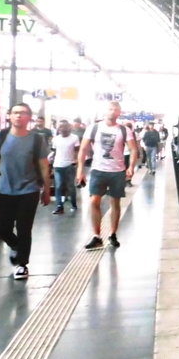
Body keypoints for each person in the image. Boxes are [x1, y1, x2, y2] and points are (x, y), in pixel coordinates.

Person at [0, 103, 51, 280]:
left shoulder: (36, 139)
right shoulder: (0, 136)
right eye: (15, 113)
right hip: (3, 190)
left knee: (24, 228)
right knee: (2, 229)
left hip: (29, 190)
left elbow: (43, 166)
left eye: (23, 113)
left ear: (29, 117)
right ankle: (17, 246)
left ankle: (22, 264)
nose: (19, 116)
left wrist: (46, 190)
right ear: (9, 116)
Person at [77, 101, 138, 249]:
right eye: (110, 109)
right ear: (105, 111)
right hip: (98, 170)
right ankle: (97, 235)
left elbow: (133, 149)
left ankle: (112, 234)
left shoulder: (124, 130)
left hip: (117, 171)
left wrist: (131, 167)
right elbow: (83, 149)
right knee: (94, 201)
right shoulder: (94, 128)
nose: (112, 112)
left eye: (116, 110)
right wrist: (80, 170)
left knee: (115, 203)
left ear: (119, 113)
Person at [48, 119, 81, 214]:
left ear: (69, 128)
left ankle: (74, 204)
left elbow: (77, 151)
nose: (62, 129)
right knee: (58, 186)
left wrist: (77, 163)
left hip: (70, 165)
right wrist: (50, 163)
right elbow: (54, 151)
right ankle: (59, 206)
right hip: (57, 166)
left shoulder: (74, 138)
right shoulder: (55, 139)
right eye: (60, 127)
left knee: (70, 187)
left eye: (64, 127)